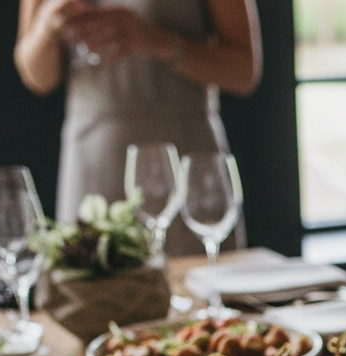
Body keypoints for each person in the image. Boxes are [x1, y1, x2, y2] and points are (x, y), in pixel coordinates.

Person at [14, 0, 261, 255]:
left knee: (197, 284)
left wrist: (156, 41)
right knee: (89, 282)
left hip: (184, 158)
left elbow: (244, 72)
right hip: (93, 158)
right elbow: (37, 77)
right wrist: (46, 27)